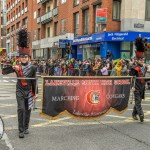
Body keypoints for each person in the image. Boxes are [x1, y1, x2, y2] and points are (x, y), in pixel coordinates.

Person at [2, 29, 38, 138]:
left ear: (28, 57)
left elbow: (34, 81)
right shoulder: (17, 66)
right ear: (19, 57)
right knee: (21, 109)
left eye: (25, 57)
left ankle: (26, 127)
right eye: (22, 57)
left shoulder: (32, 68)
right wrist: (12, 67)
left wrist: (36, 93)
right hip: (19, 91)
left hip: (29, 91)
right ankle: (20, 130)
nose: (24, 58)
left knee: (28, 110)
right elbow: (3, 72)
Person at [130, 57, 146, 122]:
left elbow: (145, 78)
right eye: (141, 60)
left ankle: (134, 114)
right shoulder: (134, 68)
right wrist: (132, 86)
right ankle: (141, 114)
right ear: (137, 60)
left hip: (142, 87)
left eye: (143, 60)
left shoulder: (145, 68)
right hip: (136, 87)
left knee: (138, 101)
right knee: (138, 101)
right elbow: (131, 78)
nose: (142, 61)